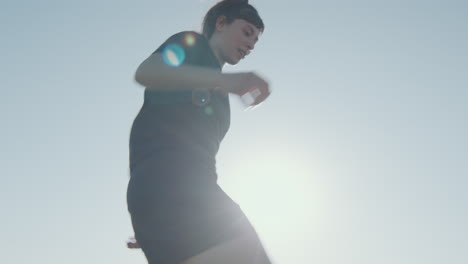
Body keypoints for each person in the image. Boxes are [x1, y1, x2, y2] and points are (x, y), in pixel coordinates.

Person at [126, 0, 272, 263]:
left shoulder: (223, 100)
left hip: (186, 195)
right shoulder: (192, 44)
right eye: (247, 32)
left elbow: (199, 156)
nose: (251, 45)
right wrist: (152, 200)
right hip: (168, 186)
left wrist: (155, 218)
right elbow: (146, 71)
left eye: (256, 41)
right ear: (221, 23)